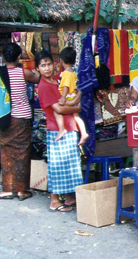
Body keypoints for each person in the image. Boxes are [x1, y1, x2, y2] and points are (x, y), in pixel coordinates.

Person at [0, 43, 40, 201]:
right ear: (18, 57)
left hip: (5, 117)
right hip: (22, 118)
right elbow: (38, 79)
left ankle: (8, 190)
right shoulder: (24, 73)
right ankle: (22, 191)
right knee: (22, 153)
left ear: (3, 57)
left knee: (7, 153)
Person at [35, 50, 84, 213]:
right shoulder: (43, 86)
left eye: (49, 64)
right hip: (56, 130)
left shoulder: (58, 80)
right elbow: (58, 109)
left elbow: (68, 100)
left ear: (54, 64)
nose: (47, 68)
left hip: (70, 128)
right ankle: (55, 201)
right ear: (38, 68)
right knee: (57, 167)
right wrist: (76, 107)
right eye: (43, 65)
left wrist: (72, 106)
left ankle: (69, 197)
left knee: (70, 165)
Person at [54, 47, 88, 145]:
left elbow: (66, 86)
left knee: (57, 110)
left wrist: (63, 97)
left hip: (68, 96)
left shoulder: (66, 74)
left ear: (61, 60)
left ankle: (61, 128)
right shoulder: (73, 72)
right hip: (73, 95)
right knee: (76, 117)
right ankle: (84, 133)